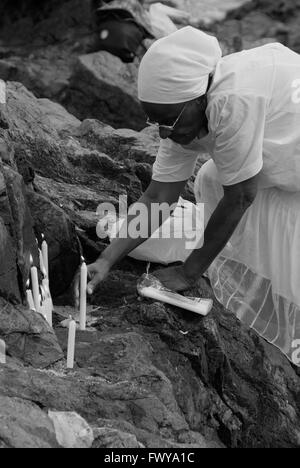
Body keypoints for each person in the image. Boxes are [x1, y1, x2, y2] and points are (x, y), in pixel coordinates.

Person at [75, 26, 300, 365]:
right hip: (283, 142)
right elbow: (158, 197)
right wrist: (107, 259)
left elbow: (241, 196)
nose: (164, 132)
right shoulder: (182, 115)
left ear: (199, 98)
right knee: (211, 180)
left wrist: (188, 272)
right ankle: (263, 303)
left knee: (276, 219)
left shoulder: (233, 99)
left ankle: (290, 323)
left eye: (169, 120)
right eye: (154, 120)